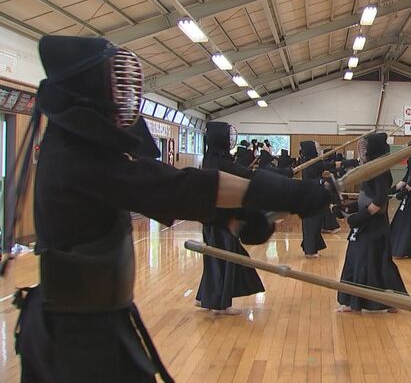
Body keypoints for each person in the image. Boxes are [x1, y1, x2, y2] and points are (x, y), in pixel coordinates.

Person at [7, 36, 331, 383]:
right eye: (116, 88)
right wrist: (284, 194)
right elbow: (172, 187)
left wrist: (232, 217)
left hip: (97, 321)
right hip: (77, 340)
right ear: (90, 92)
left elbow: (167, 191)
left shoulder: (80, 149)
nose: (126, 100)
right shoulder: (75, 157)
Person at [195, 122, 265, 316]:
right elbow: (247, 174)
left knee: (216, 259)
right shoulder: (220, 163)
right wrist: (285, 175)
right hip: (222, 221)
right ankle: (221, 304)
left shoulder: (211, 158)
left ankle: (205, 297)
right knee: (225, 260)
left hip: (213, 221)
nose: (230, 139)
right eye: (227, 136)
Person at [336, 132, 407, 312]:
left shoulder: (380, 169)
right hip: (366, 225)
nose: (362, 151)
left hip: (375, 226)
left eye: (366, 147)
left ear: (374, 149)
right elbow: (365, 197)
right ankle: (354, 302)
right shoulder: (370, 168)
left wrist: (361, 216)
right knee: (357, 259)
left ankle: (394, 301)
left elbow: (380, 201)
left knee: (377, 262)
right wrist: (347, 207)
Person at [299, 141, 328, 257]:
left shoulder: (311, 161)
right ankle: (310, 251)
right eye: (316, 147)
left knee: (315, 223)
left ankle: (311, 247)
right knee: (312, 223)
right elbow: (328, 166)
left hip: (313, 196)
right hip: (310, 197)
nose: (318, 149)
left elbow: (325, 168)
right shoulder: (310, 163)